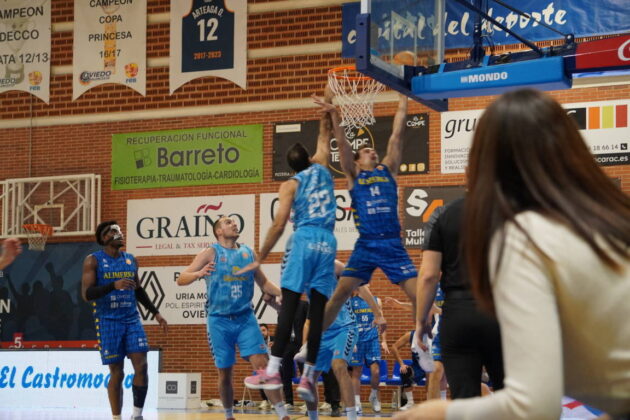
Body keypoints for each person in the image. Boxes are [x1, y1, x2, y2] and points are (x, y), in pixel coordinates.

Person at [396, 89, 630, 419]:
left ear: (484, 163)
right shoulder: (613, 216)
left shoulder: (527, 237)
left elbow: (536, 405)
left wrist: (435, 413)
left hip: (462, 315)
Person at [242, 90, 344, 403]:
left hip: (304, 238)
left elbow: (279, 223)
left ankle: (273, 367)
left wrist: (260, 256)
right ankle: (310, 376)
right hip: (328, 242)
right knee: (316, 308)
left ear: (290, 167)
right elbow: (324, 137)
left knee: (288, 302)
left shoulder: (291, 184)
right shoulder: (323, 168)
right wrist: (327, 110)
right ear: (309, 159)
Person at [177, 216, 287, 420]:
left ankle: (283, 415)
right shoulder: (210, 253)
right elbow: (181, 279)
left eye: (235, 221)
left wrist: (287, 294)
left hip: (245, 318)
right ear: (218, 231)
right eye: (228, 222)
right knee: (225, 373)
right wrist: (199, 273)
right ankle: (229, 416)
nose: (234, 224)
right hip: (218, 321)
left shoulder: (248, 252)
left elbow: (264, 283)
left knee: (262, 365)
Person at [323, 94, 417, 333]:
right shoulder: (354, 176)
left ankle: (422, 337)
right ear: (356, 160)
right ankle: (312, 342)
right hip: (366, 244)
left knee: (421, 295)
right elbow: (343, 144)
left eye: (373, 150)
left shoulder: (388, 170)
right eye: (366, 150)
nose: (372, 152)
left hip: (392, 243)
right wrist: (335, 114)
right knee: (340, 294)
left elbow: (397, 135)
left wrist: (404, 98)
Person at [414, 196, 505, 401]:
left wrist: (421, 320)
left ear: (467, 173)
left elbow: (428, 275)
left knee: (464, 401)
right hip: (501, 309)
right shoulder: (513, 210)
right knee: (512, 399)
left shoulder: (442, 214)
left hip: (459, 312)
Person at [81, 221, 168, 420]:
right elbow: (87, 294)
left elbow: (138, 289)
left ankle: (137, 415)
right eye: (114, 231)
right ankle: (116, 417)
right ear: (104, 238)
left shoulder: (130, 260)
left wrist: (156, 313)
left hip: (131, 318)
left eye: (120, 230)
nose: (120, 233)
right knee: (117, 372)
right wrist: (114, 285)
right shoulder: (93, 260)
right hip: (108, 319)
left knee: (142, 365)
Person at [349, 289, 388, 413]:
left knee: (376, 371)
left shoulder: (377, 301)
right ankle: (357, 402)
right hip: (357, 341)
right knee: (356, 372)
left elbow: (382, 320)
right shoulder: (351, 301)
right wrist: (351, 341)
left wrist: (384, 340)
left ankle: (374, 396)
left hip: (372, 339)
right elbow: (348, 322)